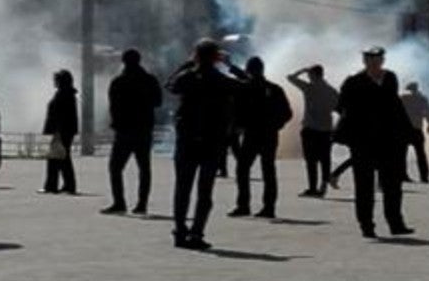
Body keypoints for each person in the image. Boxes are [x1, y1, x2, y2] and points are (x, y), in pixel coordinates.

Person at [166, 39, 248, 249]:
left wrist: (187, 64)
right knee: (205, 191)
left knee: (182, 189)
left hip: (186, 140)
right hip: (212, 141)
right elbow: (247, 85)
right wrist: (230, 65)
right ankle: (197, 234)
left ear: (196, 55)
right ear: (215, 57)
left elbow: (169, 85)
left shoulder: (187, 78)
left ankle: (179, 232)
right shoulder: (221, 79)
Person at [335, 46, 414, 238]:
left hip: (390, 141)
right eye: (370, 59)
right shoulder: (353, 82)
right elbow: (340, 107)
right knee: (364, 186)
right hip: (363, 142)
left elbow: (395, 105)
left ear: (382, 61)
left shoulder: (390, 78)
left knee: (393, 185)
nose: (374, 63)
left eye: (378, 59)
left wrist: (405, 133)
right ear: (364, 61)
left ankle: (396, 223)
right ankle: (367, 225)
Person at [228, 57, 292, 218]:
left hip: (252, 134)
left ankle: (243, 205)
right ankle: (269, 207)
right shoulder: (274, 88)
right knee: (268, 171)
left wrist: (237, 126)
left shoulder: (246, 88)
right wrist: (276, 125)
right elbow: (287, 113)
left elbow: (236, 109)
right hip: (269, 135)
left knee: (243, 169)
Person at [101, 50, 162, 215]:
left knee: (115, 167)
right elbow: (158, 102)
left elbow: (113, 106)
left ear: (123, 61)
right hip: (143, 129)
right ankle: (142, 204)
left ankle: (119, 202)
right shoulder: (150, 80)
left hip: (124, 130)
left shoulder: (118, 81)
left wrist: (115, 123)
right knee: (144, 167)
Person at [287, 64, 339, 197]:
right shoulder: (331, 91)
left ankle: (312, 188)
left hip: (310, 129)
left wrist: (301, 70)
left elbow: (290, 78)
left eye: (310, 74)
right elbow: (340, 109)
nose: (308, 77)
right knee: (325, 159)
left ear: (314, 75)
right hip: (326, 129)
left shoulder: (308, 88)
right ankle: (323, 186)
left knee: (311, 161)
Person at [41, 69, 79, 194]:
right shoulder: (67, 93)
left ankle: (51, 186)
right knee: (63, 158)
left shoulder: (63, 94)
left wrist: (55, 130)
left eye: (56, 80)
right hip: (65, 130)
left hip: (61, 131)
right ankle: (69, 185)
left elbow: (59, 114)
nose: (54, 82)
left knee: (54, 157)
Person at [399, 82, 429, 183]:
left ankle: (402, 175)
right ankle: (424, 177)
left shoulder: (402, 98)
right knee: (421, 154)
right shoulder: (422, 99)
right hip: (417, 129)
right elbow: (428, 113)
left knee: (402, 154)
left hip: (403, 130)